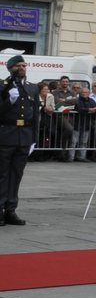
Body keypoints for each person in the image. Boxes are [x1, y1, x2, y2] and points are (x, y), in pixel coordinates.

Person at [0, 54, 39, 225]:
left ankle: (11, 209)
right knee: (2, 175)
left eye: (24, 65)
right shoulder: (2, 86)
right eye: (18, 65)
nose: (22, 68)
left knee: (17, 175)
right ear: (11, 68)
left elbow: (36, 115)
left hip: (24, 136)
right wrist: (10, 100)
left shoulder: (32, 88)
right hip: (6, 134)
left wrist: (34, 139)